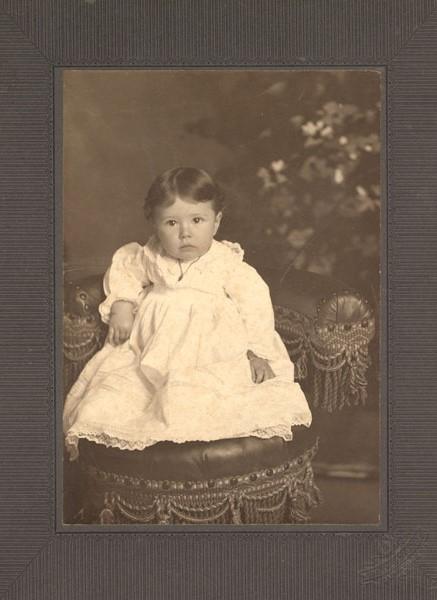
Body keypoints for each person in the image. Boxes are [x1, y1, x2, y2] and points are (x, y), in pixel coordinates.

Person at [63, 167, 312, 460]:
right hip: (152, 349)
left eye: (197, 220)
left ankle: (196, 423)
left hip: (212, 350)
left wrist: (256, 352)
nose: (185, 233)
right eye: (171, 222)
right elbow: (126, 271)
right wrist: (122, 305)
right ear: (155, 224)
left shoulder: (227, 262)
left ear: (216, 222)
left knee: (209, 394)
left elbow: (255, 305)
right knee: (124, 394)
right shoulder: (150, 255)